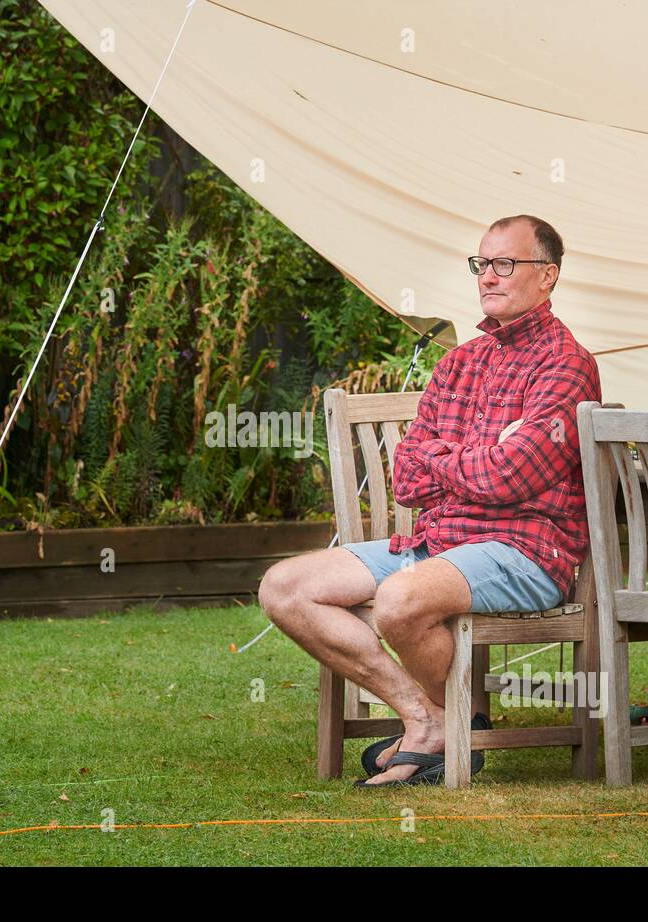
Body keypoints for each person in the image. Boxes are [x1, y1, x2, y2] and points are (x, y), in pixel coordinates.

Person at [258, 215, 601, 785]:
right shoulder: (460, 362)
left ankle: (438, 725)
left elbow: (510, 480)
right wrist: (482, 453)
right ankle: (428, 718)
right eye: (482, 263)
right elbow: (410, 478)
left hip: (525, 551)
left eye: (505, 264)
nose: (488, 276)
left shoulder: (567, 365)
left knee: (399, 601)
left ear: (548, 276)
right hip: (438, 541)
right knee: (285, 588)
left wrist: (455, 458)